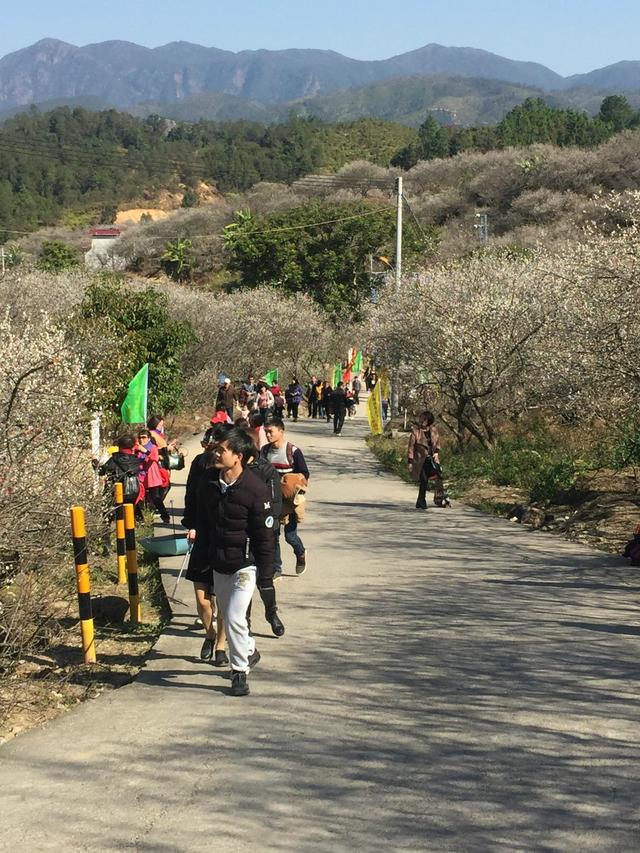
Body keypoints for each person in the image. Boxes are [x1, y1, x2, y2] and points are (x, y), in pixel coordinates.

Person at [200, 427, 278, 696]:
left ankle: (239, 673)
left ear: (239, 456)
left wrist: (266, 578)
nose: (216, 453)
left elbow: (266, 538)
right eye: (216, 448)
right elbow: (205, 525)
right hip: (219, 563)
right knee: (231, 616)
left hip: (245, 565)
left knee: (234, 616)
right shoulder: (210, 483)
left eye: (222, 449)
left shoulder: (256, 489)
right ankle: (249, 649)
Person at [181, 427, 228, 666]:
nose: (215, 451)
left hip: (224, 540)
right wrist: (190, 524)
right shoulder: (199, 464)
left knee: (222, 599)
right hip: (202, 535)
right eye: (211, 444)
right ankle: (209, 635)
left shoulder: (234, 470)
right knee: (202, 599)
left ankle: (220, 645)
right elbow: (191, 494)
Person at [262, 417, 309, 575]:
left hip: (290, 503)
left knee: (290, 536)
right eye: (266, 432)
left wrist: (291, 483)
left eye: (271, 431)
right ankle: (277, 569)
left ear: (281, 431)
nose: (268, 435)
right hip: (271, 502)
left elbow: (305, 474)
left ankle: (301, 553)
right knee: (273, 535)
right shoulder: (264, 451)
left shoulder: (293, 451)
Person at [408, 411, 444, 510]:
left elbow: (437, 443)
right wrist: (410, 462)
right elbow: (411, 447)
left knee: (438, 478)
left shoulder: (433, 430)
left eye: (424, 419)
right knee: (423, 480)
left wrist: (436, 452)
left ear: (429, 421)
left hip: (432, 459)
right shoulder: (415, 432)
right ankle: (422, 501)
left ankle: (437, 499)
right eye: (421, 418)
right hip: (420, 461)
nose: (422, 421)